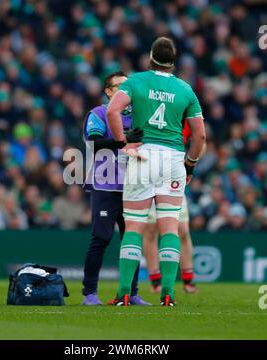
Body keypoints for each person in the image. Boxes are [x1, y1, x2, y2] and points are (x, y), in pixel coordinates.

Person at [107, 37, 206, 306]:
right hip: (173, 159)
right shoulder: (185, 90)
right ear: (174, 61)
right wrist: (190, 165)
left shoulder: (137, 81)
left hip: (143, 155)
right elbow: (200, 137)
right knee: (170, 228)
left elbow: (113, 111)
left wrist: (122, 143)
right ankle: (169, 294)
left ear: (150, 57)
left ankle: (125, 293)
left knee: (134, 228)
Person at [82, 71, 150, 306]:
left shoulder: (141, 114)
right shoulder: (99, 113)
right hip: (106, 185)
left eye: (128, 85)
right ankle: (89, 294)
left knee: (131, 240)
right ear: (109, 91)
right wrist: (121, 140)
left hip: (134, 187)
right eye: (120, 85)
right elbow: (93, 143)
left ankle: (131, 293)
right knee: (101, 238)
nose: (125, 89)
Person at [144, 122, 205, 295]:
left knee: (182, 229)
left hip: (173, 176)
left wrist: (191, 160)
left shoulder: (184, 114)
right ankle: (155, 280)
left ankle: (188, 278)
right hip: (149, 177)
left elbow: (201, 140)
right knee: (150, 230)